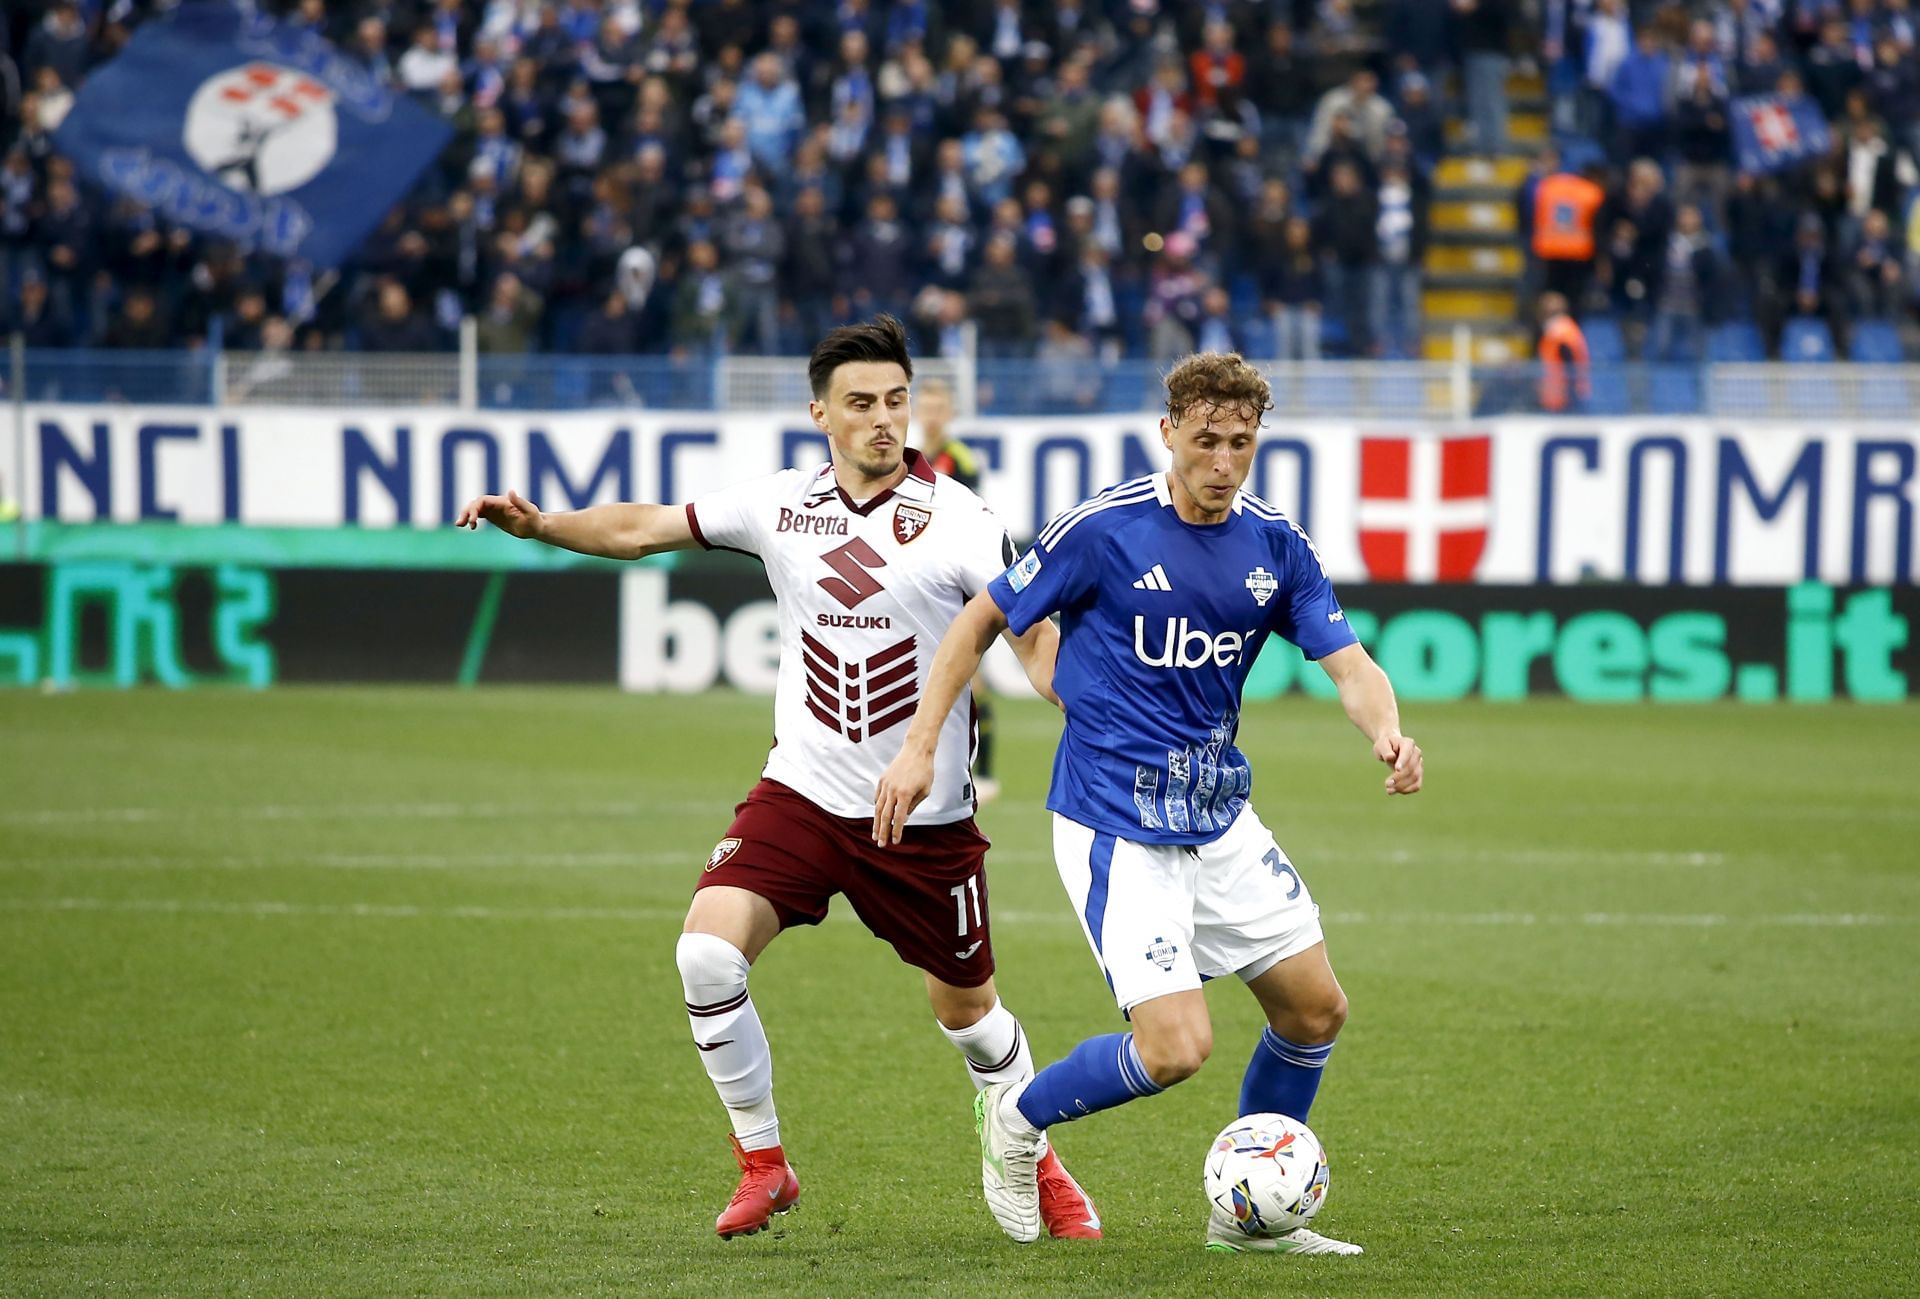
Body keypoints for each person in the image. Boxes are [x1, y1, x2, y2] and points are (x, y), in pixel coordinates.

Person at [454, 317, 1101, 1242]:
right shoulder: (779, 505)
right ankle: (765, 1163)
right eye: (861, 404)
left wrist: (1097, 706)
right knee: (705, 953)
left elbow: (1037, 645)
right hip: (798, 795)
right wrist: (543, 525)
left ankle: (1034, 1159)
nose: (883, 420)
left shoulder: (965, 518)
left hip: (922, 823)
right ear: (820, 414)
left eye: (895, 401)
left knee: (970, 1016)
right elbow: (643, 528)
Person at [874, 353, 1423, 1255]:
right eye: (1205, 440)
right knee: (1174, 1048)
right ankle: (1016, 1118)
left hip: (1215, 812)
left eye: (1240, 443)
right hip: (1114, 821)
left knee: (1315, 1010)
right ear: (1168, 434)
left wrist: (1387, 733)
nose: (1222, 460)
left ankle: (1245, 1221)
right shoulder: (1105, 528)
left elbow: (1351, 663)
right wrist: (925, 741)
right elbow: (984, 617)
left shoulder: (1275, 543)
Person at [914, 376, 1003, 803]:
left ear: (949, 413)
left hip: (950, 580)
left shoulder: (960, 461)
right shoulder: (905, 459)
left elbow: (970, 523)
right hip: (916, 580)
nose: (931, 415)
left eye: (938, 407)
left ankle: (982, 774)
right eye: (925, 406)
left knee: (972, 678)